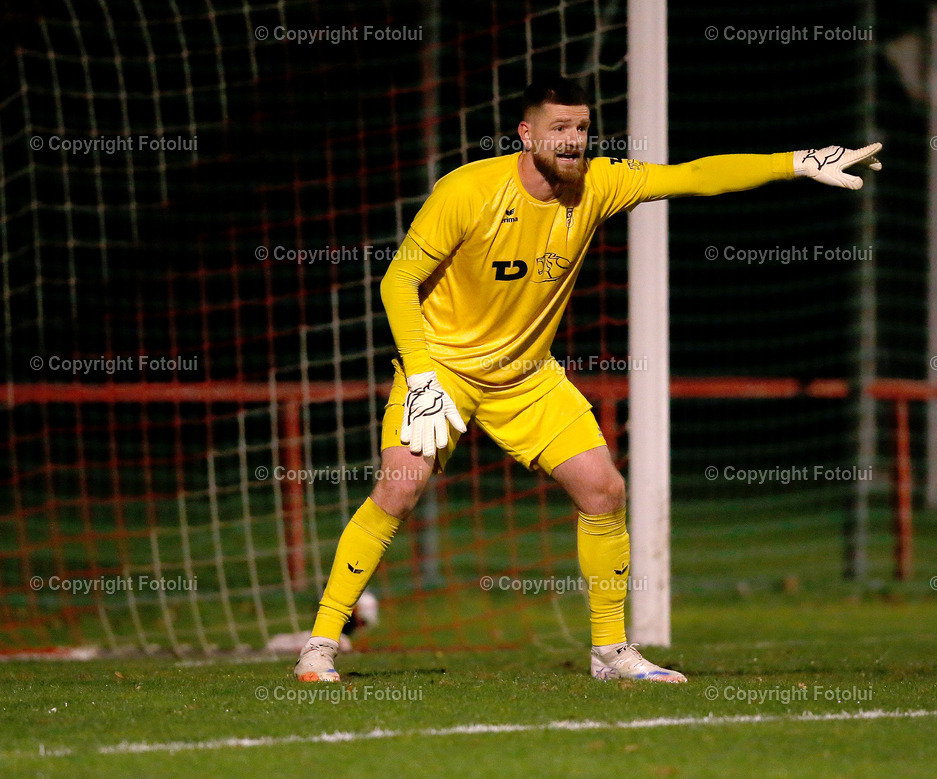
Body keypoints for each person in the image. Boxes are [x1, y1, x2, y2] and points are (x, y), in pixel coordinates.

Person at [295, 76, 882, 683]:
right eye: (559, 128)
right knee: (397, 490)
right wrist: (421, 375)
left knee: (603, 491)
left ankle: (610, 653)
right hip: (441, 370)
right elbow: (397, 281)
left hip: (527, 377)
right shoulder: (467, 190)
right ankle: (320, 644)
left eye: (581, 127)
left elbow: (693, 175)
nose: (573, 140)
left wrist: (796, 162)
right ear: (526, 134)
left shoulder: (599, 184)